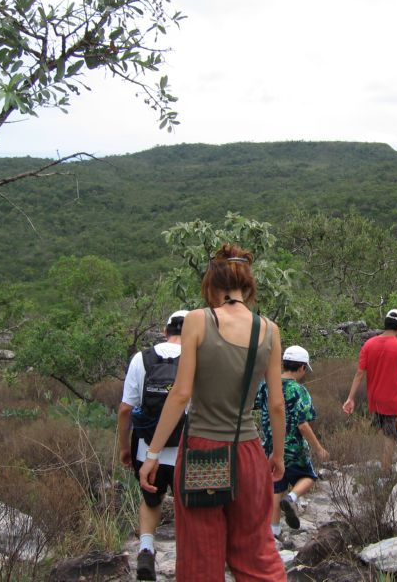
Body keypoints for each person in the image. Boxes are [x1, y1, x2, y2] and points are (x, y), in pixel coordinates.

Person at [139, 244, 287, 581]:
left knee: (200, 557)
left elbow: (181, 394)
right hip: (249, 454)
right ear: (247, 287)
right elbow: (276, 405)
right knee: (257, 553)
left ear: (211, 284)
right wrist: (276, 454)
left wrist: (153, 453)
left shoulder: (197, 320)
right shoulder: (270, 330)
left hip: (203, 455)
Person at [118, 309, 188, 581]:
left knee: (151, 499)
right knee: (187, 504)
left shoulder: (141, 358)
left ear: (165, 330)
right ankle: (185, 558)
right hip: (185, 449)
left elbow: (126, 409)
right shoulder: (197, 359)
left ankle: (146, 548)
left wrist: (125, 448)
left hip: (147, 450)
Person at [254, 345, 330, 538]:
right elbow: (303, 424)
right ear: (302, 367)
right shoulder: (299, 390)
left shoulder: (266, 385)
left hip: (270, 446)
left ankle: (274, 530)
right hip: (293, 447)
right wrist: (318, 448)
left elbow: (254, 405)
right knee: (309, 477)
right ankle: (292, 497)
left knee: (276, 485)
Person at [342, 308, 397, 474]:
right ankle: (385, 473)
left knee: (384, 432)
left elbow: (360, 373)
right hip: (393, 400)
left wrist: (350, 398)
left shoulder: (369, 344)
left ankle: (382, 463)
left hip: (375, 399)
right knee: (390, 437)